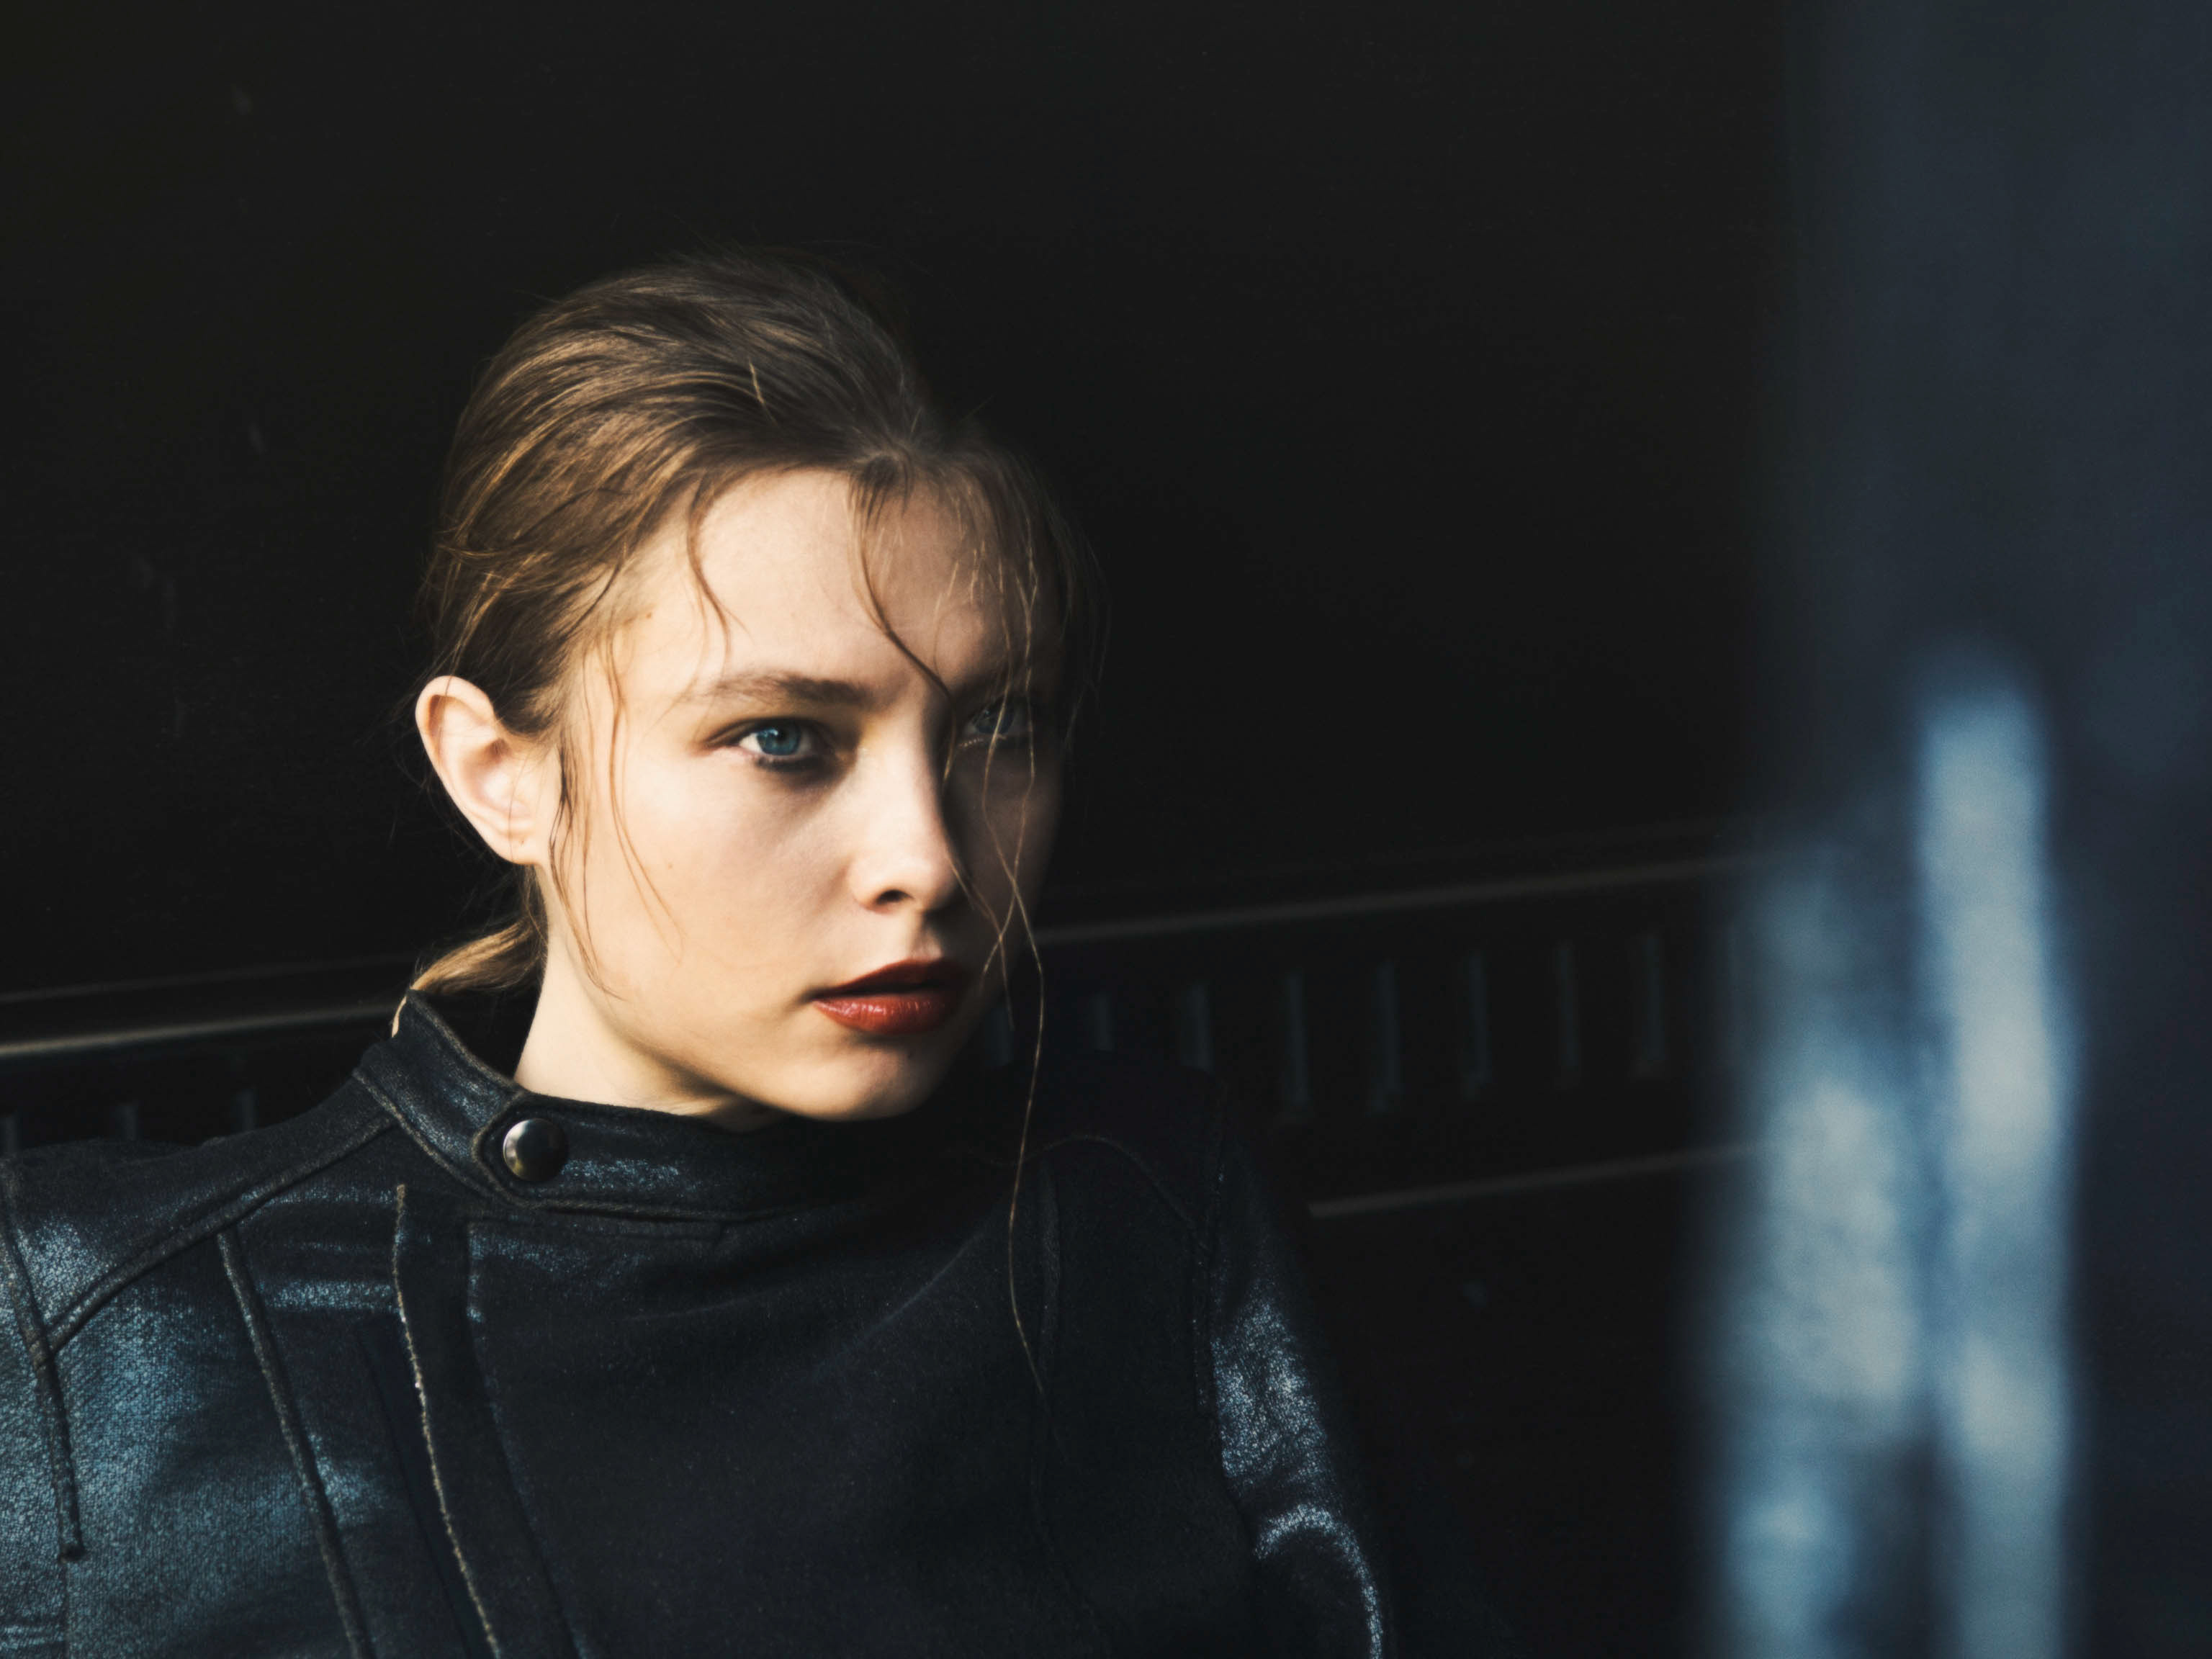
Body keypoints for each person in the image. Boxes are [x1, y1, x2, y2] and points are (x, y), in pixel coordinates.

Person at [0, 252, 1398, 1655]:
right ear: (500, 774)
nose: (928, 861)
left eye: (996, 730)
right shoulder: (104, 1325)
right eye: (783, 738)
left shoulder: (1155, 1204)